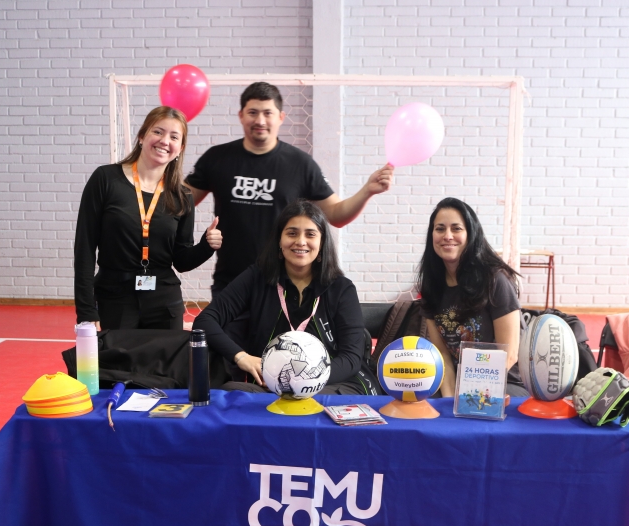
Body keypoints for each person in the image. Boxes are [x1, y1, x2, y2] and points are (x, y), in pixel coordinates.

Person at [185, 81, 394, 295]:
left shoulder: (300, 164)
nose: (260, 120)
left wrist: (367, 190)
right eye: (253, 112)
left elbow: (336, 214)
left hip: (284, 285)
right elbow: (177, 202)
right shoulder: (216, 158)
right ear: (241, 115)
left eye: (268, 113)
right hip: (230, 283)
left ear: (280, 117)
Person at [193, 199, 368, 394]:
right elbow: (205, 320)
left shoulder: (341, 288)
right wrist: (241, 356)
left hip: (328, 384)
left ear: (322, 243)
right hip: (271, 385)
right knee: (232, 393)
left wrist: (305, 381)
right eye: (292, 233)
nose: (300, 241)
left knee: (317, 402)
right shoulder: (257, 277)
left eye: (310, 234)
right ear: (279, 240)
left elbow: (351, 358)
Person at [74, 106, 222, 331]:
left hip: (164, 302)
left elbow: (181, 261)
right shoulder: (105, 179)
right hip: (114, 299)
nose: (164, 141)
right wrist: (86, 310)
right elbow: (84, 250)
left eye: (174, 137)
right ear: (142, 136)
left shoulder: (182, 196)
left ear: (180, 148)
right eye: (158, 132)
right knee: (117, 366)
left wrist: (206, 246)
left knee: (166, 367)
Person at [416, 197, 528, 398]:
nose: (447, 236)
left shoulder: (495, 280)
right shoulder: (431, 285)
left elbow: (508, 355)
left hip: (504, 383)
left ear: (470, 234)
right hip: (459, 383)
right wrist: (450, 402)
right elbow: (442, 355)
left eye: (456, 229)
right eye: (440, 229)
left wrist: (469, 396)